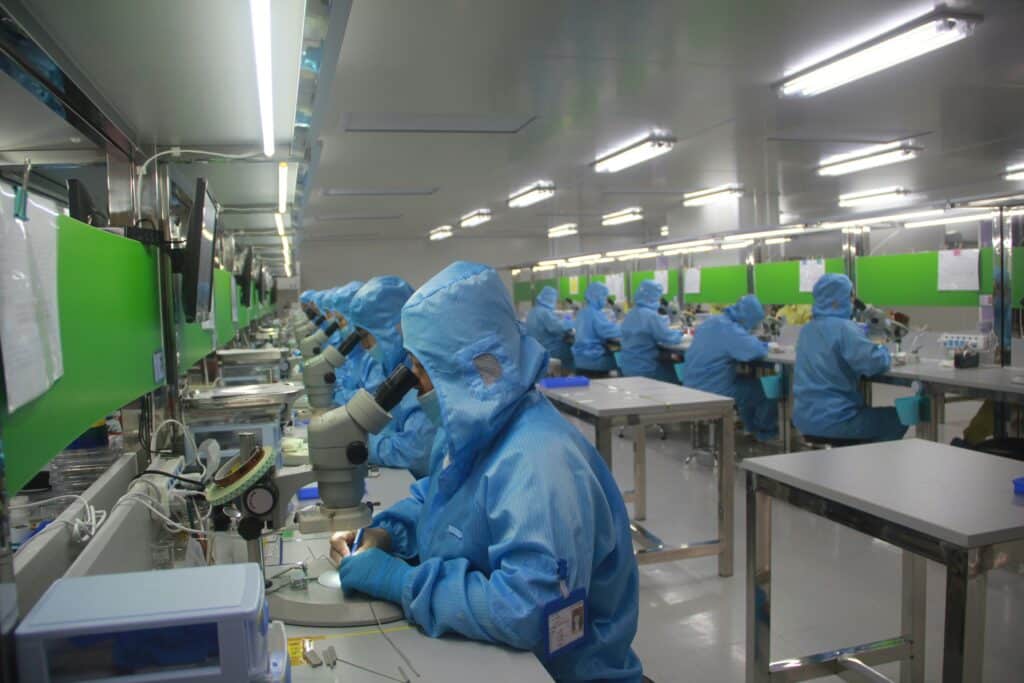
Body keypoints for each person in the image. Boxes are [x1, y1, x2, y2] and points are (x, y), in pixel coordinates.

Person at [331, 262, 642, 682]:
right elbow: (435, 494)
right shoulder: (470, 428)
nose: (415, 382)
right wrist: (387, 534)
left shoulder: (539, 463)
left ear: (469, 370)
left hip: (562, 673)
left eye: (424, 368)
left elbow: (528, 611)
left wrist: (401, 581)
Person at [793, 273, 907, 443]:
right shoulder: (845, 328)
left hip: (803, 418)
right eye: (850, 296)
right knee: (899, 417)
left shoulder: (806, 329)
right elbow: (875, 363)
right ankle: (866, 464)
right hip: (836, 420)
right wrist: (884, 350)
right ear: (842, 298)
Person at [344, 276, 435, 478]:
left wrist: (361, 445)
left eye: (367, 336)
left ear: (389, 331)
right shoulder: (391, 364)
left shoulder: (422, 377)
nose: (365, 346)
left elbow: (417, 453)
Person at [685, 294, 779, 441]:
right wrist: (765, 345)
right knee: (763, 392)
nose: (752, 327)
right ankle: (763, 433)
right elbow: (755, 351)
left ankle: (750, 428)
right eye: (753, 323)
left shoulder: (713, 321)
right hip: (713, 390)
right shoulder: (730, 329)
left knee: (746, 382)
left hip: (691, 385)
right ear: (747, 317)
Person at [619, 280, 683, 382]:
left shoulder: (631, 313)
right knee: (674, 371)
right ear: (654, 296)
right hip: (645, 368)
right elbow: (668, 338)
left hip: (627, 366)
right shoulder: (651, 316)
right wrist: (680, 334)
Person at [572, 281, 622, 377]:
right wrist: (626, 328)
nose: (605, 300)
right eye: (604, 297)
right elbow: (608, 331)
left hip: (580, 360)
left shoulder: (583, 312)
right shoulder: (594, 313)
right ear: (597, 297)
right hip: (594, 360)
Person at [526, 286, 575, 372]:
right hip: (549, 348)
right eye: (555, 300)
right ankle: (568, 377)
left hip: (536, 348)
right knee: (571, 352)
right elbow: (556, 328)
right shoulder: (544, 312)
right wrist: (570, 323)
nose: (555, 302)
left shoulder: (534, 311)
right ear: (550, 298)